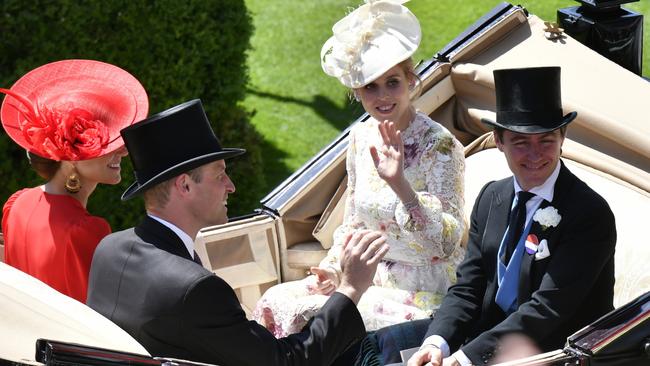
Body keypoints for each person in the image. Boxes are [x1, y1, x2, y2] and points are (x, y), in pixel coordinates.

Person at [86, 99, 390, 366]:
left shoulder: (109, 249)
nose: (231, 185)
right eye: (220, 174)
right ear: (185, 186)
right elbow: (287, 362)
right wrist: (350, 289)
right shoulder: (196, 289)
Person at [253, 0, 466, 336]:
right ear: (356, 92)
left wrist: (401, 185)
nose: (382, 97)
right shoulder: (361, 136)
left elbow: (446, 244)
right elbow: (354, 220)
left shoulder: (439, 144)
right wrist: (333, 270)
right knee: (279, 300)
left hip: (423, 289)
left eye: (392, 82)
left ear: (411, 80)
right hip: (366, 278)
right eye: (370, 86)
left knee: (325, 320)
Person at [378, 66, 616, 366]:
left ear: (562, 138)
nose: (535, 154)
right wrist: (438, 342)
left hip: (551, 352)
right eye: (520, 142)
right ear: (499, 141)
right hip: (483, 337)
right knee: (378, 351)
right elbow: (468, 287)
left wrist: (466, 359)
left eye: (546, 140)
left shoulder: (589, 213)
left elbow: (548, 310)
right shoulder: (492, 197)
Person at [0, 59, 148, 303]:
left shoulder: (18, 203)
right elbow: (103, 314)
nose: (122, 152)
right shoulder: (85, 230)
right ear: (69, 158)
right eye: (105, 143)